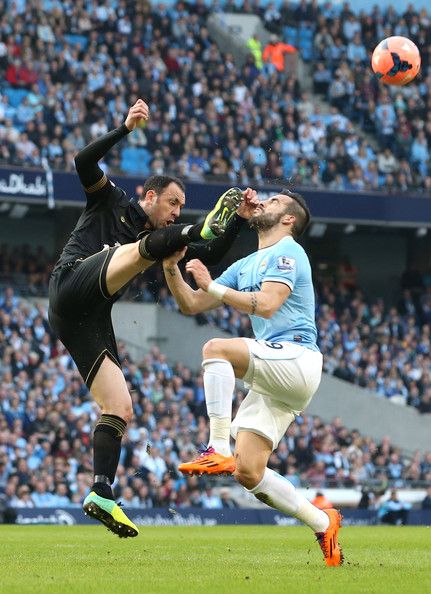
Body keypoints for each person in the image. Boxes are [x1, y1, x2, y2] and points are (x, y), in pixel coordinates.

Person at [48, 99, 258, 538]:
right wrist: (124, 128)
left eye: (182, 207)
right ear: (149, 195)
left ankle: (101, 492)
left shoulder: (158, 238)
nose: (176, 209)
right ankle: (191, 232)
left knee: (119, 407)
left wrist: (236, 222)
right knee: (138, 251)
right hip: (71, 285)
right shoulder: (111, 201)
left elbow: (213, 252)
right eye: (173, 203)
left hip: (86, 318)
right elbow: (82, 160)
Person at [162, 189, 343, 567]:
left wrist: (212, 285)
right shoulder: (248, 262)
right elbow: (192, 303)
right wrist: (170, 267)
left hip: (295, 358)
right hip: (276, 376)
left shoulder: (289, 251)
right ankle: (322, 521)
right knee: (248, 472)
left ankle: (216, 448)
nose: (265, 202)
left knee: (215, 348)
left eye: (274, 201)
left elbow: (269, 303)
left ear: (289, 219)